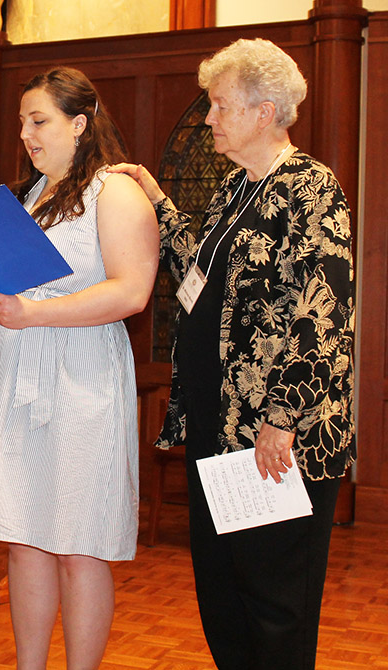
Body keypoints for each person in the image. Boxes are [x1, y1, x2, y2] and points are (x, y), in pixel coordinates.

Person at [110, 38, 355, 670]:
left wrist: (281, 417)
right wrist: (158, 201)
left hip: (275, 436)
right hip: (219, 429)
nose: (209, 119)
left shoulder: (312, 188)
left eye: (220, 106)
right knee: (224, 590)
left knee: (276, 601)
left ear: (265, 111)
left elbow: (323, 315)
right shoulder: (234, 191)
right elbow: (200, 268)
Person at [0, 67, 159, 670]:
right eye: (22, 123)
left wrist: (33, 312)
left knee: (79, 544)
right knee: (23, 533)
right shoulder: (25, 198)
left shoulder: (117, 192)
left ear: (79, 124)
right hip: (13, 375)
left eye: (40, 122)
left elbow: (132, 292)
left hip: (79, 380)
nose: (27, 135)